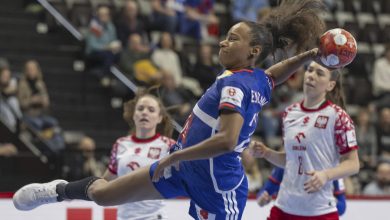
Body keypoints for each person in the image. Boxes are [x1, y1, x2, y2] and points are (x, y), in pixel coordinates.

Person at [13, 1, 327, 219]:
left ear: (253, 52)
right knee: (104, 195)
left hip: (217, 185)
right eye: (225, 36)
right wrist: (310, 54)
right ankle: (56, 191)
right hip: (184, 165)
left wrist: (175, 155)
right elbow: (276, 73)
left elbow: (227, 141)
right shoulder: (257, 78)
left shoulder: (237, 85)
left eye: (233, 39)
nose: (222, 42)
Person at [250, 61, 360, 219]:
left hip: (320, 210)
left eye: (319, 73)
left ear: (330, 85)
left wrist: (326, 175)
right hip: (284, 207)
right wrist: (267, 153)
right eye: (310, 70)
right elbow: (290, 160)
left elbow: (353, 164)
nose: (311, 75)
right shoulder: (289, 113)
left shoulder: (338, 116)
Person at [257, 167, 347, 216]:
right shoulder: (287, 161)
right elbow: (265, 191)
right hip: (289, 213)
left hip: (318, 214)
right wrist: (262, 199)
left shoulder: (331, 166)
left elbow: (342, 207)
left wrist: (328, 200)